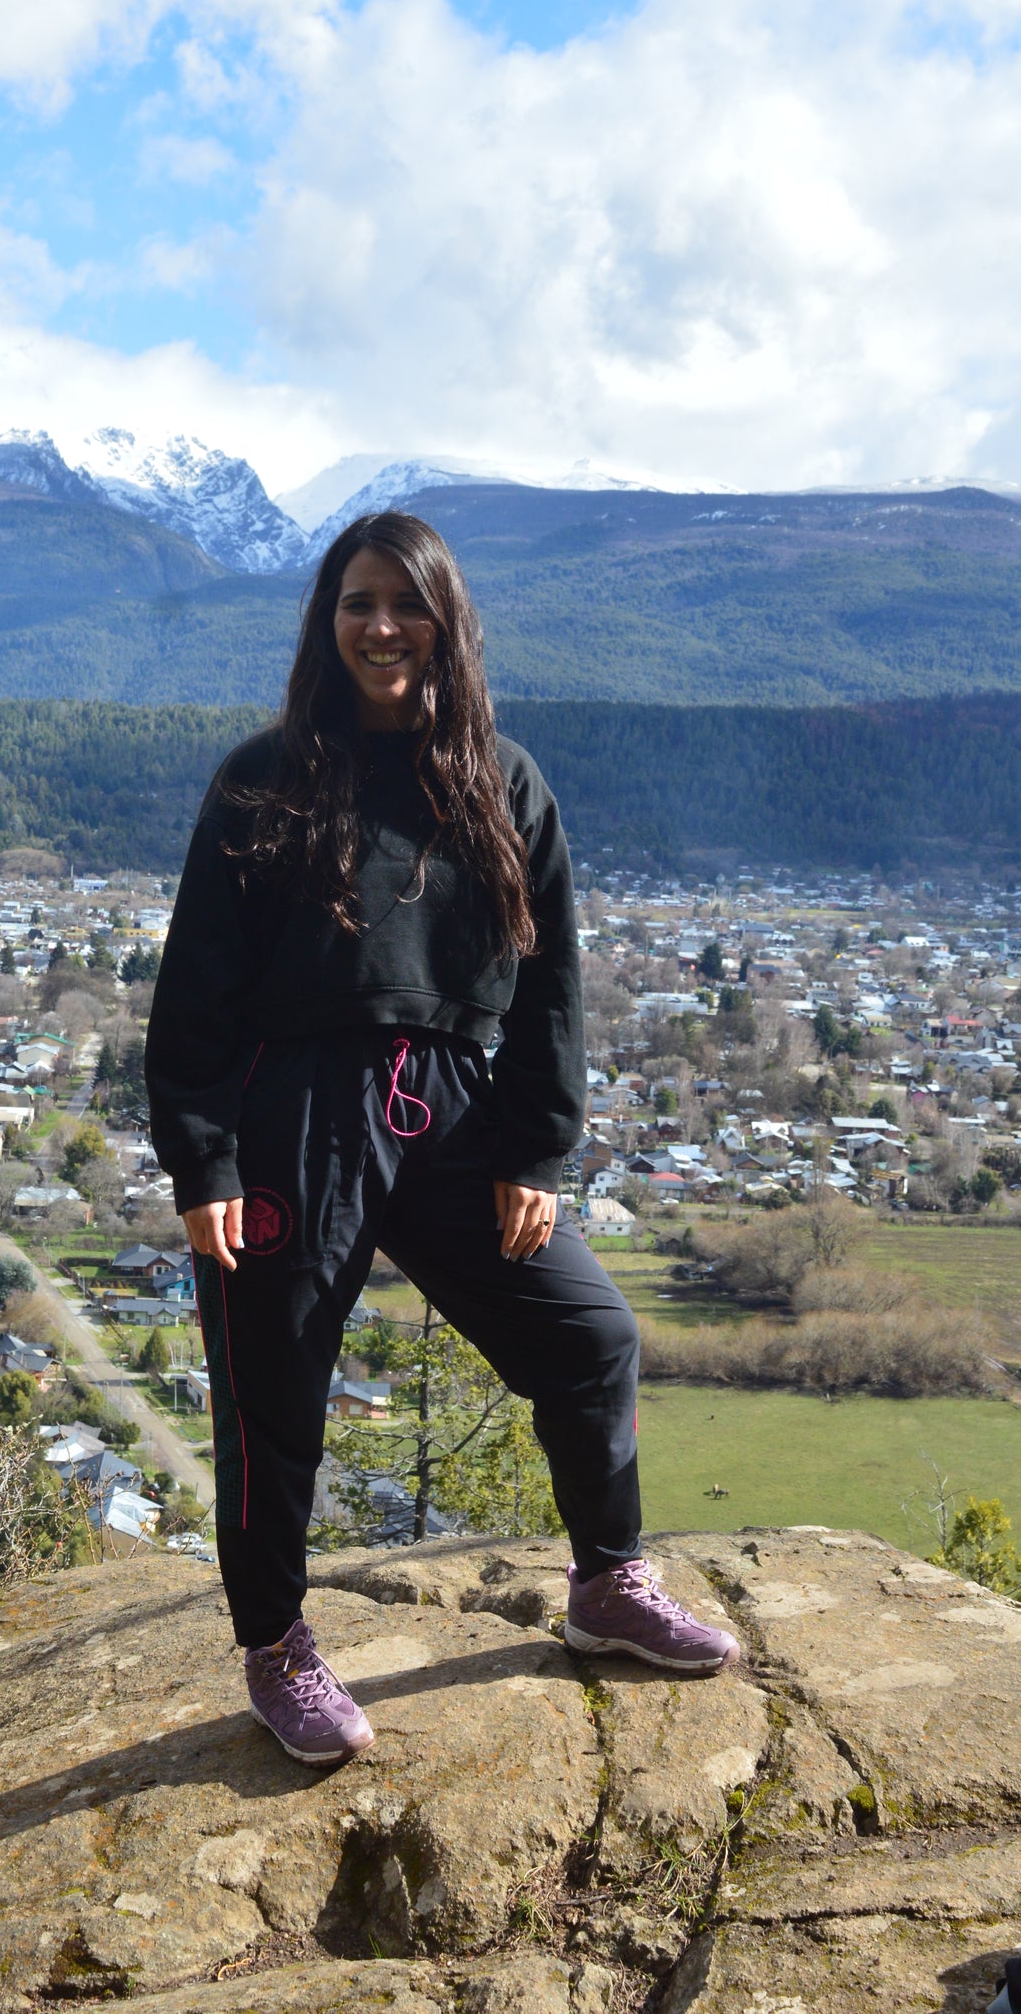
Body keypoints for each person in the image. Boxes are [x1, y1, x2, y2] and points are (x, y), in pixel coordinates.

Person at [145, 511, 738, 1767]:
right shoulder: (264, 777)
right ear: (328, 620)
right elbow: (193, 985)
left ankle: (605, 1584)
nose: (378, 627)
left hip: (458, 1108)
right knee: (273, 1383)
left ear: (443, 623)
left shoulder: (500, 780)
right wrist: (202, 1161)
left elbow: (551, 980)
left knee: (588, 1335)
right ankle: (276, 1647)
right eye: (357, 603)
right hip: (295, 1112)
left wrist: (536, 1149)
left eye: (402, 604)